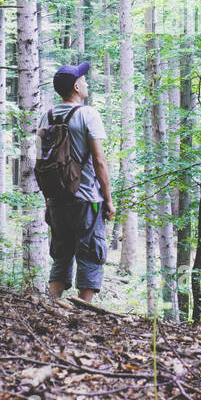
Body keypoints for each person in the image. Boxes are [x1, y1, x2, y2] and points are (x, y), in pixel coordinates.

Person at [40, 61, 114, 303]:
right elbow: (99, 161)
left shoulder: (47, 116)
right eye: (83, 79)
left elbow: (41, 164)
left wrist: (48, 201)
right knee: (90, 253)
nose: (87, 82)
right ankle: (84, 313)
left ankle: (51, 305)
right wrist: (109, 201)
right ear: (75, 87)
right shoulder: (88, 114)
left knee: (61, 255)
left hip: (56, 199)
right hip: (87, 200)